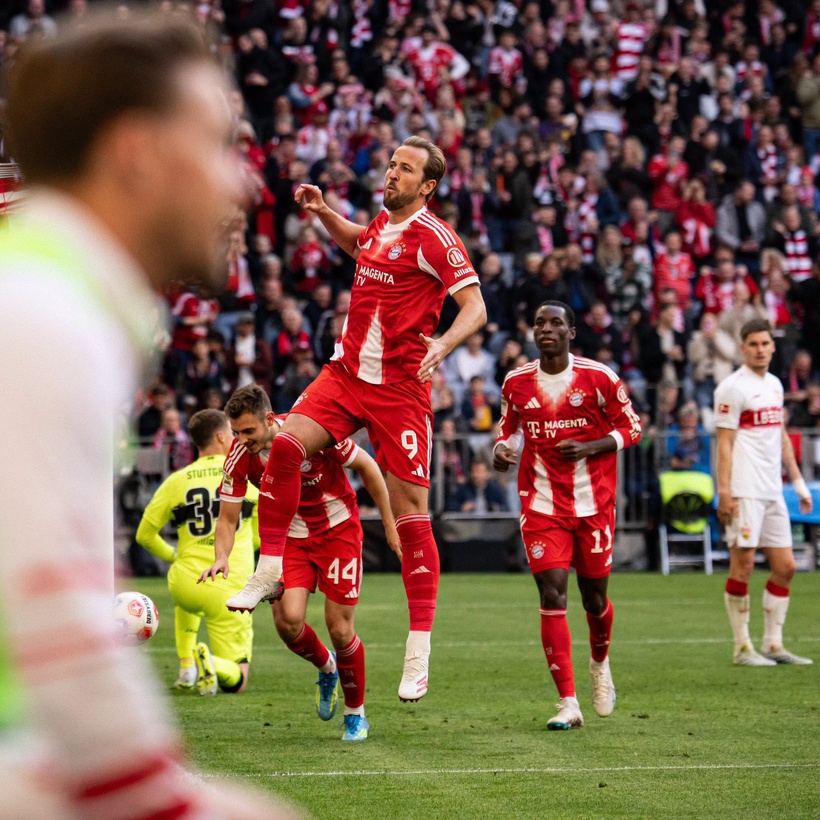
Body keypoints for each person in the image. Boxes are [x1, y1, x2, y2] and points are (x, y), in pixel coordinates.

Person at [0, 13, 298, 818]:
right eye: (217, 146)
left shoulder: (57, 298)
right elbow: (53, 627)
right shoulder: (41, 316)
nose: (242, 184)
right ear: (135, 154)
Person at [224, 136, 487, 703]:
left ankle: (418, 649)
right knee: (288, 443)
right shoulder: (380, 226)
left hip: (398, 388)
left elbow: (476, 306)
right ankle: (271, 564)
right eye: (392, 164)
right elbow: (359, 244)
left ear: (428, 186)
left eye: (406, 169)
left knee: (413, 514)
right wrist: (321, 213)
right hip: (346, 375)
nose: (392, 173)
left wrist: (444, 343)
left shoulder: (436, 237)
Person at [200, 385, 400, 741]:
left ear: (268, 418)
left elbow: (368, 467)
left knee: (339, 627)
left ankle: (356, 714)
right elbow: (228, 517)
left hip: (338, 531)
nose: (243, 440)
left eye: (249, 432)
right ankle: (327, 668)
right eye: (237, 433)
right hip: (289, 540)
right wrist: (221, 557)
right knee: (288, 622)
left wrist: (389, 524)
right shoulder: (239, 455)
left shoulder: (310, 432)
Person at [493, 301, 642, 730]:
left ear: (571, 333)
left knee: (594, 600)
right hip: (541, 505)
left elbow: (632, 427)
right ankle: (568, 703)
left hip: (594, 504)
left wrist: (592, 447)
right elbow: (509, 429)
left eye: (556, 322)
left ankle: (600, 664)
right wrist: (502, 451)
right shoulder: (517, 382)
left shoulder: (598, 378)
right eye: (540, 322)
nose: (547, 329)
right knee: (552, 594)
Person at [137, 410, 259, 696]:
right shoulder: (246, 475)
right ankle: (212, 664)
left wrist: (174, 557)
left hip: (185, 583)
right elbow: (260, 535)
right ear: (220, 437)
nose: (236, 439)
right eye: (232, 434)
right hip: (228, 586)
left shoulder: (177, 480)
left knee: (188, 601)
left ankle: (187, 666)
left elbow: (144, 535)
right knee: (238, 682)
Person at [714, 318, 814, 667]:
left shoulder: (773, 385)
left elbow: (781, 437)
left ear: (773, 346)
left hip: (773, 491)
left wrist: (799, 484)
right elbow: (724, 444)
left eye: (765, 344)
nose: (759, 350)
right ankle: (742, 648)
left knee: (785, 567)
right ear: (743, 348)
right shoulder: (731, 388)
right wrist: (724, 492)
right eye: (753, 344)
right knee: (741, 566)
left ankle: (773, 644)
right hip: (744, 491)